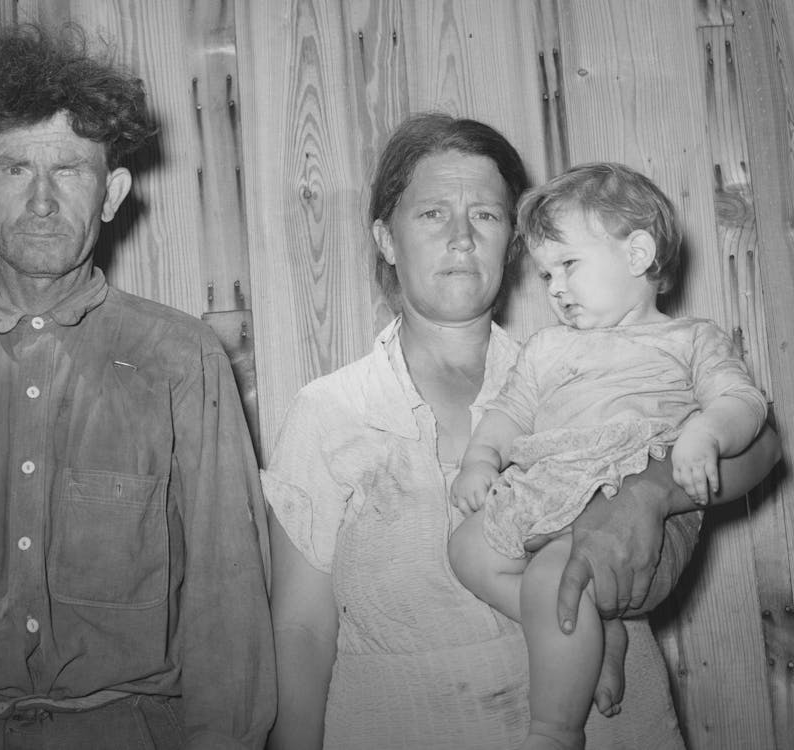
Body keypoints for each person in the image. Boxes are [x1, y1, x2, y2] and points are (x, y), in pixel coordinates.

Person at [0, 25, 275, 750]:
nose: (39, 200)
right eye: (14, 170)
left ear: (111, 192)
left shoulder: (180, 361)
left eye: (68, 170)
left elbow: (231, 618)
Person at [262, 113, 780, 749]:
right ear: (386, 238)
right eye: (431, 215)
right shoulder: (328, 411)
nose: (460, 238)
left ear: (512, 240)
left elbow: (761, 442)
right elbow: (303, 630)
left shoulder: (585, 357)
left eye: (485, 214)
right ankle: (583, 627)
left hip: (614, 731)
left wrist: (652, 490)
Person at [448, 162, 768, 750]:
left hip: (632, 515)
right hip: (549, 496)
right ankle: (595, 633)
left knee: (551, 578)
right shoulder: (548, 348)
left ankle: (555, 730)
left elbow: (745, 402)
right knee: (466, 547)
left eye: (568, 264)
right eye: (545, 274)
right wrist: (479, 461)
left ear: (639, 252)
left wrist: (706, 433)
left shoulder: (689, 339)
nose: (555, 288)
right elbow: (507, 415)